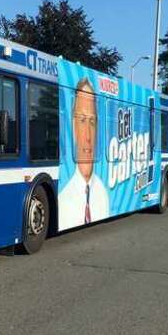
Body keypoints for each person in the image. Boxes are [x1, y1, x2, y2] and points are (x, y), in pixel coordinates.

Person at [58, 77, 109, 229]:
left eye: (92, 122)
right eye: (81, 120)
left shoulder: (103, 194)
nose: (88, 136)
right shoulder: (62, 200)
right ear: (72, 126)